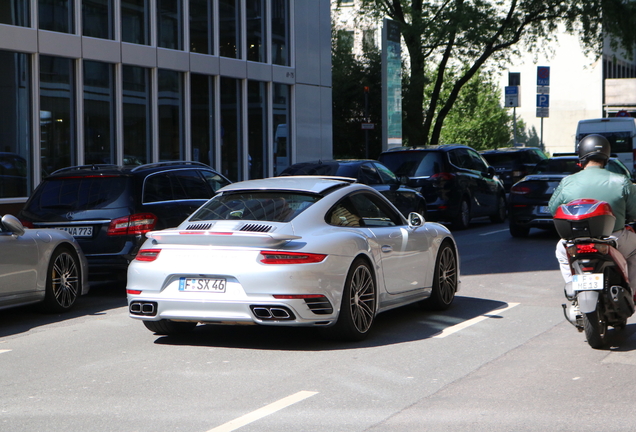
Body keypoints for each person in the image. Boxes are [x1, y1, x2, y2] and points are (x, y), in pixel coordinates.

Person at [548, 134, 636, 300]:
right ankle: (631, 292)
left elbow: (553, 209)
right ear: (606, 156)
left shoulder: (567, 182)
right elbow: (634, 211)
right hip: (615, 238)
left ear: (581, 156)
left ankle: (572, 288)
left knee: (561, 251)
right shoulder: (621, 181)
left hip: (575, 241)